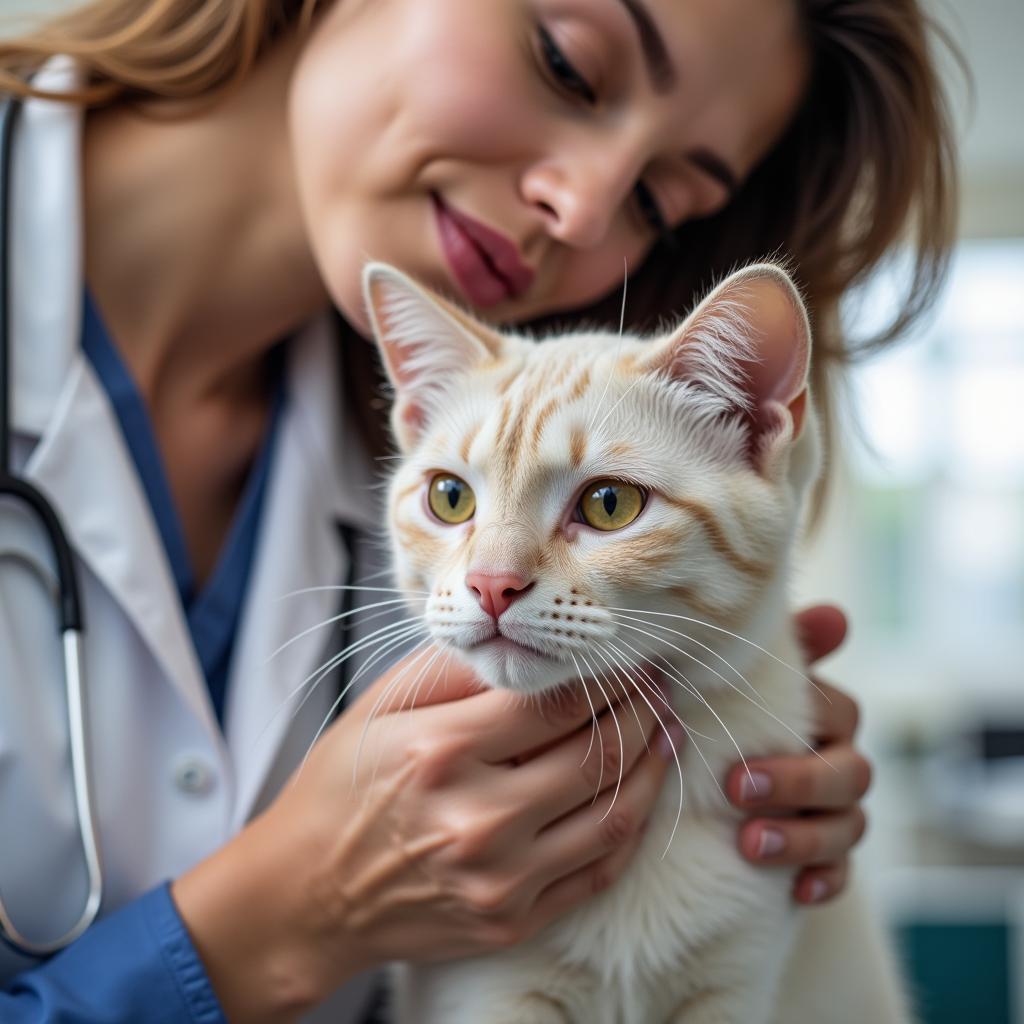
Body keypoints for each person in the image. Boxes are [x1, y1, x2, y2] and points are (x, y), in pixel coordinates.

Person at [0, 0, 956, 1020]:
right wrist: (280, 922)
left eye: (656, 200)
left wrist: (736, 755)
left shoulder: (464, 421)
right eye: (568, 63)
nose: (584, 211)